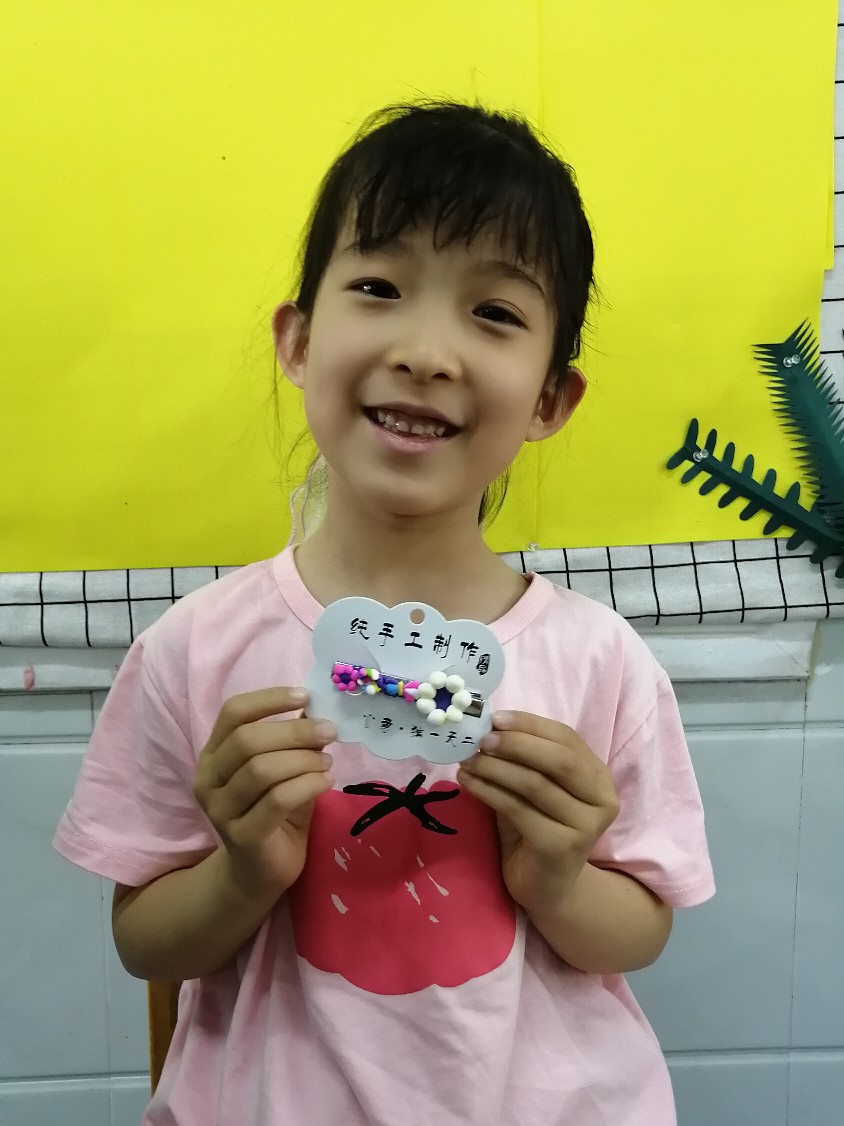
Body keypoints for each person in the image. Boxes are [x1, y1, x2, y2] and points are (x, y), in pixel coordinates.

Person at [54, 100, 714, 1125]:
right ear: (298, 340)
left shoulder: (601, 662)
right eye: (378, 287)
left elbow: (639, 932)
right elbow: (143, 941)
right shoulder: (193, 648)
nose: (427, 351)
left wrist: (556, 875)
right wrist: (244, 871)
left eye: (494, 313)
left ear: (551, 399)